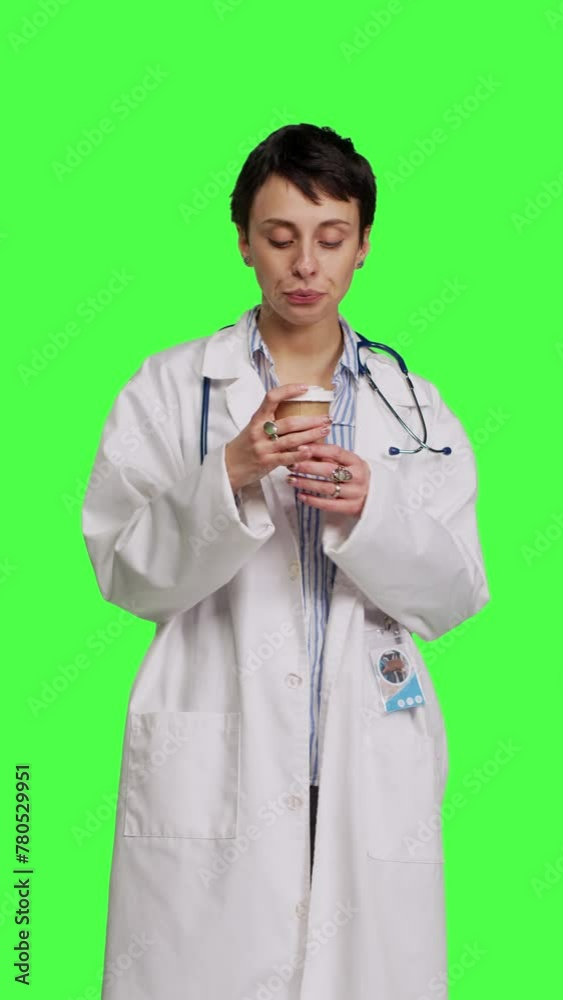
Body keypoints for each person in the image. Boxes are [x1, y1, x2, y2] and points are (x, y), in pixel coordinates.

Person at [81, 123, 490, 1000]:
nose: (305, 264)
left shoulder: (412, 408)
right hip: (215, 763)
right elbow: (124, 572)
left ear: (363, 244)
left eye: (330, 238)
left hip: (365, 757)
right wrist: (227, 475)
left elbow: (453, 595)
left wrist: (372, 512)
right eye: (279, 237)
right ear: (243, 241)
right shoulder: (170, 390)